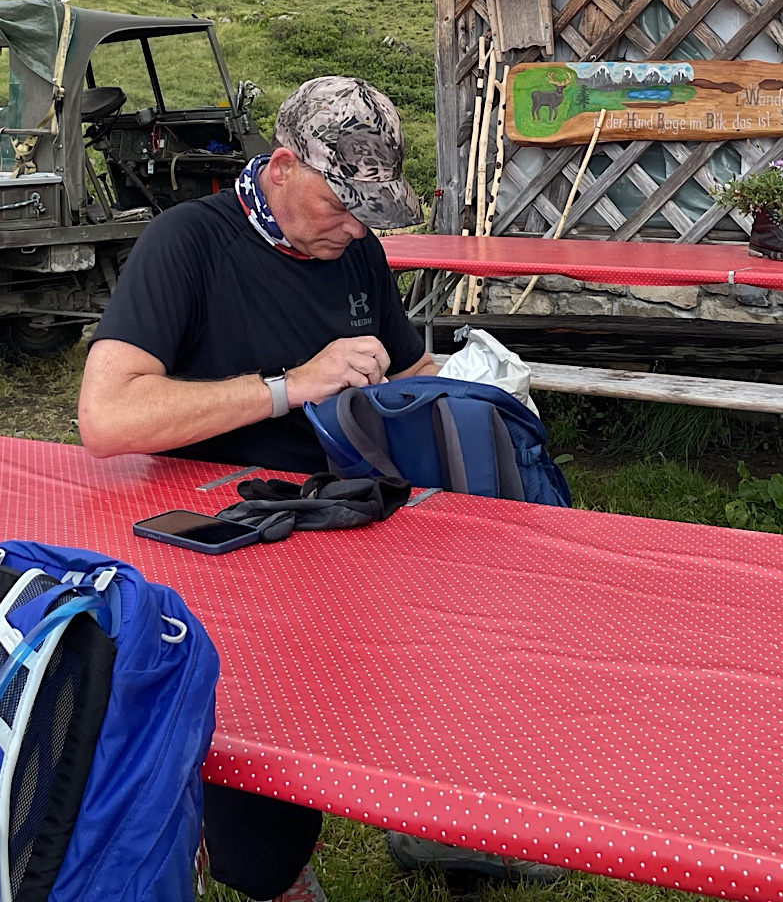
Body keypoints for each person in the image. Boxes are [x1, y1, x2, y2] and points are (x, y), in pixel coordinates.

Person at [80, 75, 563, 901]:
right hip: (219, 543)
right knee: (258, 834)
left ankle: (439, 822)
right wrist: (287, 386)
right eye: (340, 203)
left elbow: (404, 370)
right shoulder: (187, 243)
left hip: (349, 519)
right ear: (279, 167)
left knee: (463, 649)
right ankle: (243, 850)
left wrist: (484, 381)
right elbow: (108, 418)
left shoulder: (356, 250)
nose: (355, 225)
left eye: (369, 208)